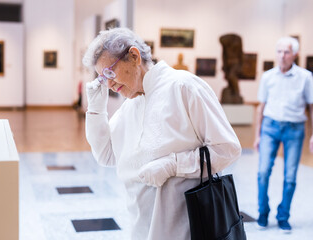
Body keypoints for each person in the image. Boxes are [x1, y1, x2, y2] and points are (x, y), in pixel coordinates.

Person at [82, 27, 241, 240]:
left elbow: (227, 149)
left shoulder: (184, 87)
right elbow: (106, 155)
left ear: (134, 56)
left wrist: (173, 164)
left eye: (110, 72)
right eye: (102, 77)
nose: (109, 84)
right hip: (142, 229)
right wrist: (95, 110)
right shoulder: (131, 104)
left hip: (186, 228)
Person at [254, 36, 313, 232]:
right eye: (279, 51)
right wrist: (257, 135)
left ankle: (283, 215)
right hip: (270, 127)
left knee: (290, 177)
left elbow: (311, 107)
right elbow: (260, 107)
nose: (282, 55)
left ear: (295, 54)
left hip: (295, 130)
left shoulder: (305, 77)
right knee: (263, 172)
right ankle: (263, 212)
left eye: (286, 52)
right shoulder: (268, 77)